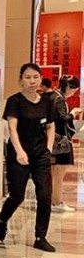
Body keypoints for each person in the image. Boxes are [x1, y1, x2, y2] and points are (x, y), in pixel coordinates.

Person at [0, 62, 56, 252]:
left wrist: (48, 148)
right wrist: (20, 151)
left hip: (41, 154)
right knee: (17, 196)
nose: (32, 81)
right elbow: (12, 128)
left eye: (35, 77)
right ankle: (2, 218)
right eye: (27, 77)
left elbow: (51, 126)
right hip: (18, 154)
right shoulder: (15, 101)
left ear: (40, 79)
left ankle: (40, 237)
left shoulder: (47, 102)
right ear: (21, 80)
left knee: (44, 195)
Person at [50, 75, 82, 213]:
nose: (73, 94)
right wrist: (73, 113)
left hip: (54, 140)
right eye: (73, 90)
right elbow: (63, 119)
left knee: (54, 174)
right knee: (58, 174)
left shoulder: (54, 96)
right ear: (68, 87)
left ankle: (53, 201)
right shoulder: (59, 99)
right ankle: (56, 202)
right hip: (60, 142)